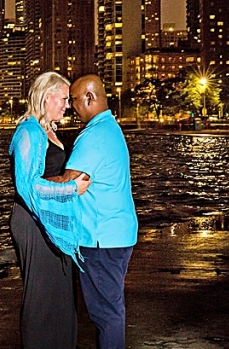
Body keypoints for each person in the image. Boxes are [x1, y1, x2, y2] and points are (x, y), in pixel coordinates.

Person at [9, 71, 92, 349]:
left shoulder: (48, 131)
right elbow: (27, 186)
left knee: (61, 293)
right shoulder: (28, 131)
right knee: (41, 296)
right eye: (64, 99)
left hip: (49, 220)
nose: (68, 105)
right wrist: (71, 189)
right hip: (32, 221)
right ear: (46, 97)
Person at [61, 74, 138, 349]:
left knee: (106, 314)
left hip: (101, 238)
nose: (70, 106)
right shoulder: (110, 128)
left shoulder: (93, 136)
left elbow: (69, 181)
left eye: (73, 100)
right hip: (117, 233)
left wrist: (32, 183)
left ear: (90, 98)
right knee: (111, 309)